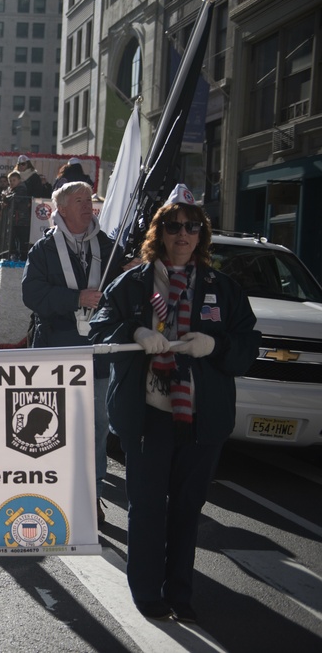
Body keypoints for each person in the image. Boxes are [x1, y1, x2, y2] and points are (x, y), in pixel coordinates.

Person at [89, 184, 260, 623]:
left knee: (187, 510)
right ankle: (146, 593)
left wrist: (214, 345)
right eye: (173, 226)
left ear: (201, 234)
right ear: (159, 233)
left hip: (202, 419)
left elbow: (247, 345)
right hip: (147, 415)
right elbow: (99, 326)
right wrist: (136, 333)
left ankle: (180, 592)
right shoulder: (134, 283)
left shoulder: (223, 289)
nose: (182, 234)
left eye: (191, 227)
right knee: (147, 509)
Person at [22, 181, 115, 525]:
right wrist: (76, 299)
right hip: (55, 355)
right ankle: (53, 493)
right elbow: (32, 295)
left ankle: (93, 496)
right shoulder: (43, 250)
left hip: (98, 354)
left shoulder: (107, 245)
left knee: (97, 427)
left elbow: (122, 290)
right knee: (53, 427)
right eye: (78, 200)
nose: (87, 205)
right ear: (60, 209)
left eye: (89, 199)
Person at [0, 171, 32, 259]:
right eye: (10, 181)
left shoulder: (21, 189)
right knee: (12, 239)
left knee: (21, 240)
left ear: (19, 180)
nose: (11, 182)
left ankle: (21, 256)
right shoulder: (12, 190)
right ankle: (15, 254)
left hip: (21, 219)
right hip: (16, 219)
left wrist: (5, 198)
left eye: (14, 180)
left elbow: (15, 199)